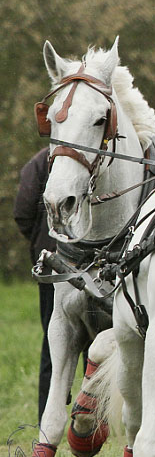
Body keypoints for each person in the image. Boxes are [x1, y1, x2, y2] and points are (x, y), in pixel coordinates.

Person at [13, 147, 57, 423]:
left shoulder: (41, 160)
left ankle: (46, 419)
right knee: (96, 348)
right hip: (97, 263)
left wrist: (40, 243)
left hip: (51, 263)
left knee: (52, 344)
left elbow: (23, 211)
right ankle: (93, 423)